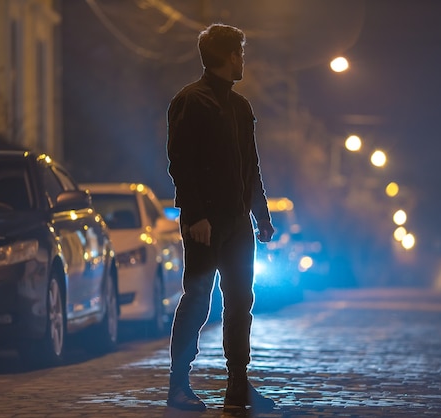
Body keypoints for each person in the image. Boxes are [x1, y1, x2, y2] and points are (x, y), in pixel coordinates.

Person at [165, 23, 276, 413]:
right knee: (197, 299)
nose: (243, 60)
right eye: (240, 54)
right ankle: (178, 385)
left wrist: (261, 216)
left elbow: (251, 167)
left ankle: (238, 387)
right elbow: (181, 163)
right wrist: (195, 214)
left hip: (237, 224)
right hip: (205, 224)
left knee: (240, 302)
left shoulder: (240, 107)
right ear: (229, 57)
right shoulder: (190, 101)